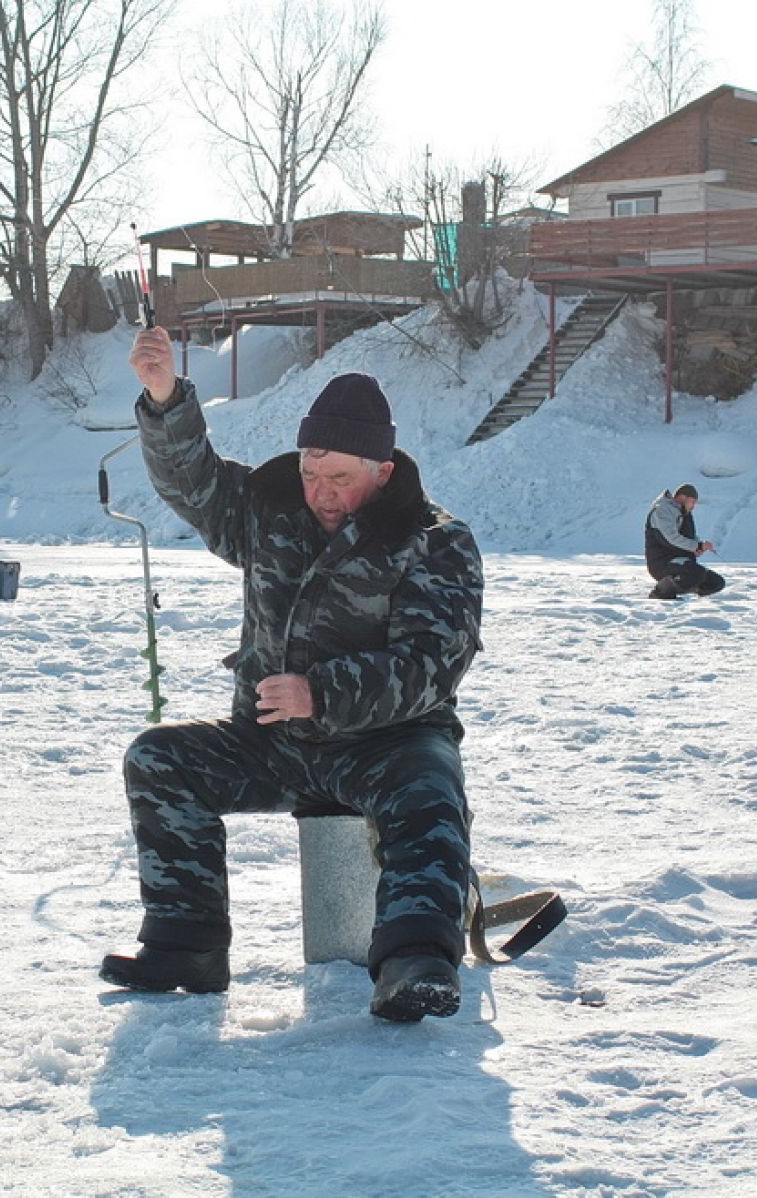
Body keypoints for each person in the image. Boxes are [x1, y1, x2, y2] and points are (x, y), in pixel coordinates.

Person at [99, 327, 484, 1022]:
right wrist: (165, 397)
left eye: (340, 479)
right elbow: (197, 485)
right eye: (311, 472)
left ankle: (415, 959)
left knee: (429, 788)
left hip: (387, 742)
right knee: (159, 759)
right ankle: (187, 945)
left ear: (384, 471)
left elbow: (432, 664)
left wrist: (323, 694)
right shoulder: (269, 507)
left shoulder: (435, 541)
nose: (320, 493)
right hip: (273, 742)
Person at [644, 483, 724, 600]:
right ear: (683, 497)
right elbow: (670, 538)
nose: (694, 506)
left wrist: (699, 547)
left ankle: (679, 589)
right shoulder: (662, 510)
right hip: (663, 563)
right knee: (696, 574)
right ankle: (661, 592)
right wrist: (696, 546)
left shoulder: (682, 512)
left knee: (716, 583)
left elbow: (688, 537)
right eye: (692, 502)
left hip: (680, 562)